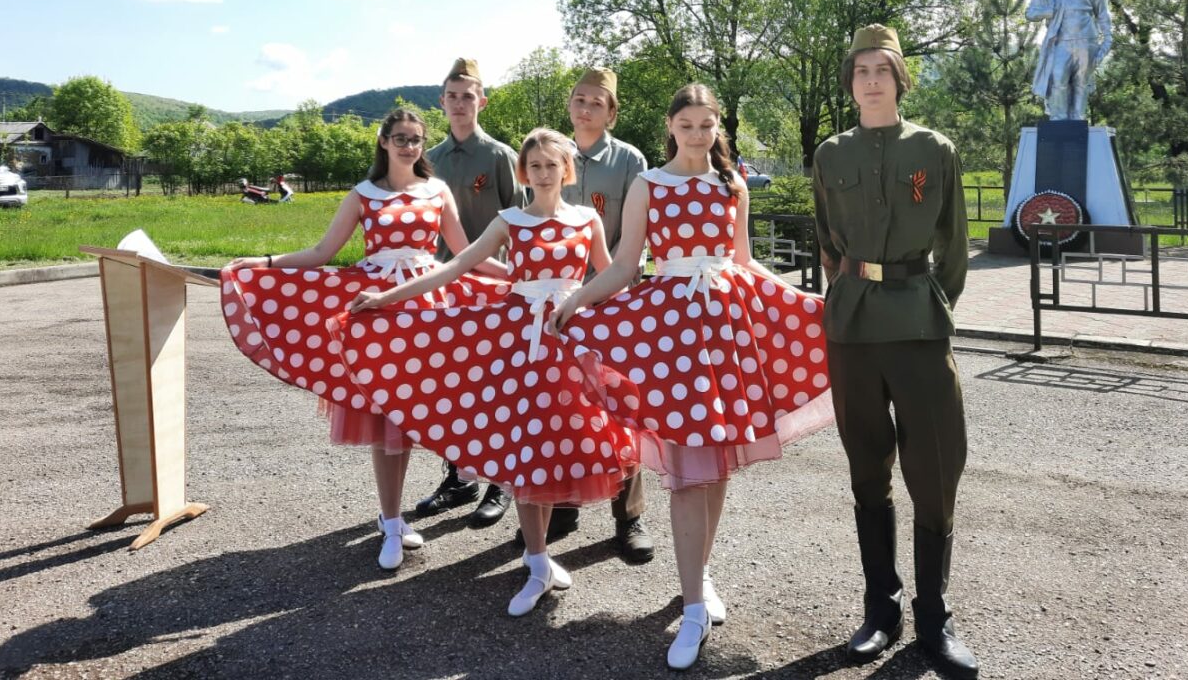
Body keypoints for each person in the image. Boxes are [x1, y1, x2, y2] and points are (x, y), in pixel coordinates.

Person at [552, 84, 833, 670]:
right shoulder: (648, 184)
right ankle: (693, 607)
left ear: (717, 127)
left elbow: (744, 260)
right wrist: (577, 300)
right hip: (671, 335)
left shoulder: (731, 184)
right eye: (687, 124)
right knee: (687, 466)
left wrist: (797, 297)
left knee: (717, 459)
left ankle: (699, 577)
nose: (699, 134)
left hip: (727, 329)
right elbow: (628, 265)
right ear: (670, 126)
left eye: (708, 125)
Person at [348, 128, 638, 616]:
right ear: (524, 172)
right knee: (527, 452)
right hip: (519, 348)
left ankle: (539, 557)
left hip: (569, 345)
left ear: (567, 170)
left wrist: (641, 327)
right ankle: (538, 560)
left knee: (554, 448)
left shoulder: (587, 219)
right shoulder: (510, 220)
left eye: (553, 165)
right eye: (536, 166)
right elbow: (454, 266)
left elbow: (609, 280)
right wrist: (385, 298)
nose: (544, 174)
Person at [218, 109, 508, 572]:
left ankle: (406, 512)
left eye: (415, 139)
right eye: (400, 138)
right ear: (383, 141)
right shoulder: (363, 194)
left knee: (414, 418)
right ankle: (391, 522)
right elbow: (321, 253)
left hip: (425, 310)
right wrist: (264, 262)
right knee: (385, 422)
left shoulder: (437, 191)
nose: (408, 146)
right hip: (376, 311)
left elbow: (466, 253)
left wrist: (525, 278)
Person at [810, 24, 976, 679]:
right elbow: (827, 238)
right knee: (865, 470)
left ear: (899, 79)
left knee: (935, 470)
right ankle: (882, 611)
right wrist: (849, 295)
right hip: (852, 329)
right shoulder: (831, 154)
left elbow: (956, 245)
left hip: (918, 322)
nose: (872, 80)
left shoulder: (934, 150)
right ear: (851, 83)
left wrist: (934, 305)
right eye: (861, 71)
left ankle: (934, 617)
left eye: (883, 69)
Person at [546, 66, 653, 561]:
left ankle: (628, 518)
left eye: (596, 102)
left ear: (611, 112)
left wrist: (608, 290)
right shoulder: (551, 156)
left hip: (611, 301)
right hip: (560, 305)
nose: (585, 108)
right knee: (564, 406)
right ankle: (564, 505)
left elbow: (635, 240)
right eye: (579, 99)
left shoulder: (630, 161)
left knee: (622, 408)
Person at [414, 57, 526, 527]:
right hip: (445, 288)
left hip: (493, 286)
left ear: (482, 101)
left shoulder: (499, 156)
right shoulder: (429, 158)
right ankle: (460, 478)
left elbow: (520, 224)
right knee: (453, 385)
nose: (460, 104)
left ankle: (501, 481)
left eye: (468, 95)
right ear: (441, 102)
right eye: (451, 95)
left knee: (498, 384)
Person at [1027, 0, 1112, 121]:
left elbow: (1103, 15)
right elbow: (1030, 12)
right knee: (1058, 81)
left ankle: (1078, 121)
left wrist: (1108, 39)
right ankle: (1059, 121)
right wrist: (1047, 12)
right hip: (1061, 42)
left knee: (1081, 84)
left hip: (1086, 41)